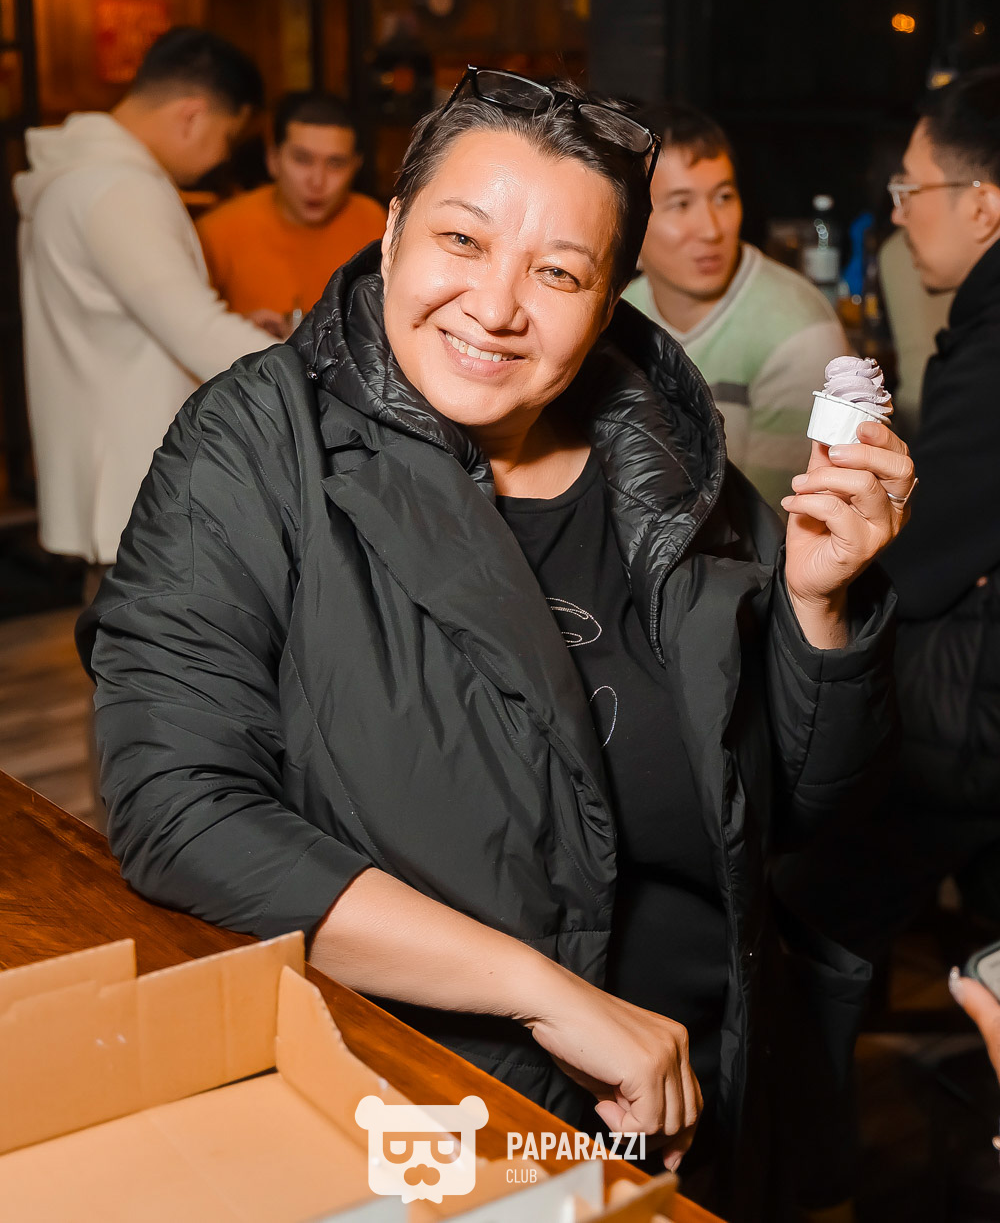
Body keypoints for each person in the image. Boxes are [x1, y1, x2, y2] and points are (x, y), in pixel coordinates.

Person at [78, 68, 910, 1221]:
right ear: (390, 235)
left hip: (702, 1096)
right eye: (461, 241)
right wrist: (545, 994)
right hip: (430, 1107)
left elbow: (797, 812)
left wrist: (821, 606)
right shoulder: (257, 443)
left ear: (610, 301)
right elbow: (178, 808)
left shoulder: (666, 467)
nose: (496, 305)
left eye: (557, 272)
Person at [774, 66, 1000, 1219]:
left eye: (911, 190)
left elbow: (933, 549)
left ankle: (804, 1184)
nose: (899, 214)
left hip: (976, 715)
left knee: (804, 905)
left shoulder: (996, 333)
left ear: (983, 204)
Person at [17, 26, 275, 574]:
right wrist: (315, 366)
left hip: (111, 470)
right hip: (137, 478)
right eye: (227, 139)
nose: (219, 158)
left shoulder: (77, 177)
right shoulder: (119, 188)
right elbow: (199, 333)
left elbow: (126, 319)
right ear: (192, 115)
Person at [623, 103, 849, 513]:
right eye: (681, 204)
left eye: (723, 197)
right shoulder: (616, 316)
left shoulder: (797, 331)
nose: (712, 230)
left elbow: (778, 519)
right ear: (630, 217)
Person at [197, 90, 386, 329]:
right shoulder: (217, 231)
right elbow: (191, 327)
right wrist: (235, 328)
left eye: (336, 164)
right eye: (302, 159)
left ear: (356, 166)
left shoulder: (374, 221)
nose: (317, 181)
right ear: (273, 159)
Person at [878, 226, 952, 445]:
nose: (896, 217)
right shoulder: (903, 249)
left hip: (914, 424)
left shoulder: (894, 250)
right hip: (932, 426)